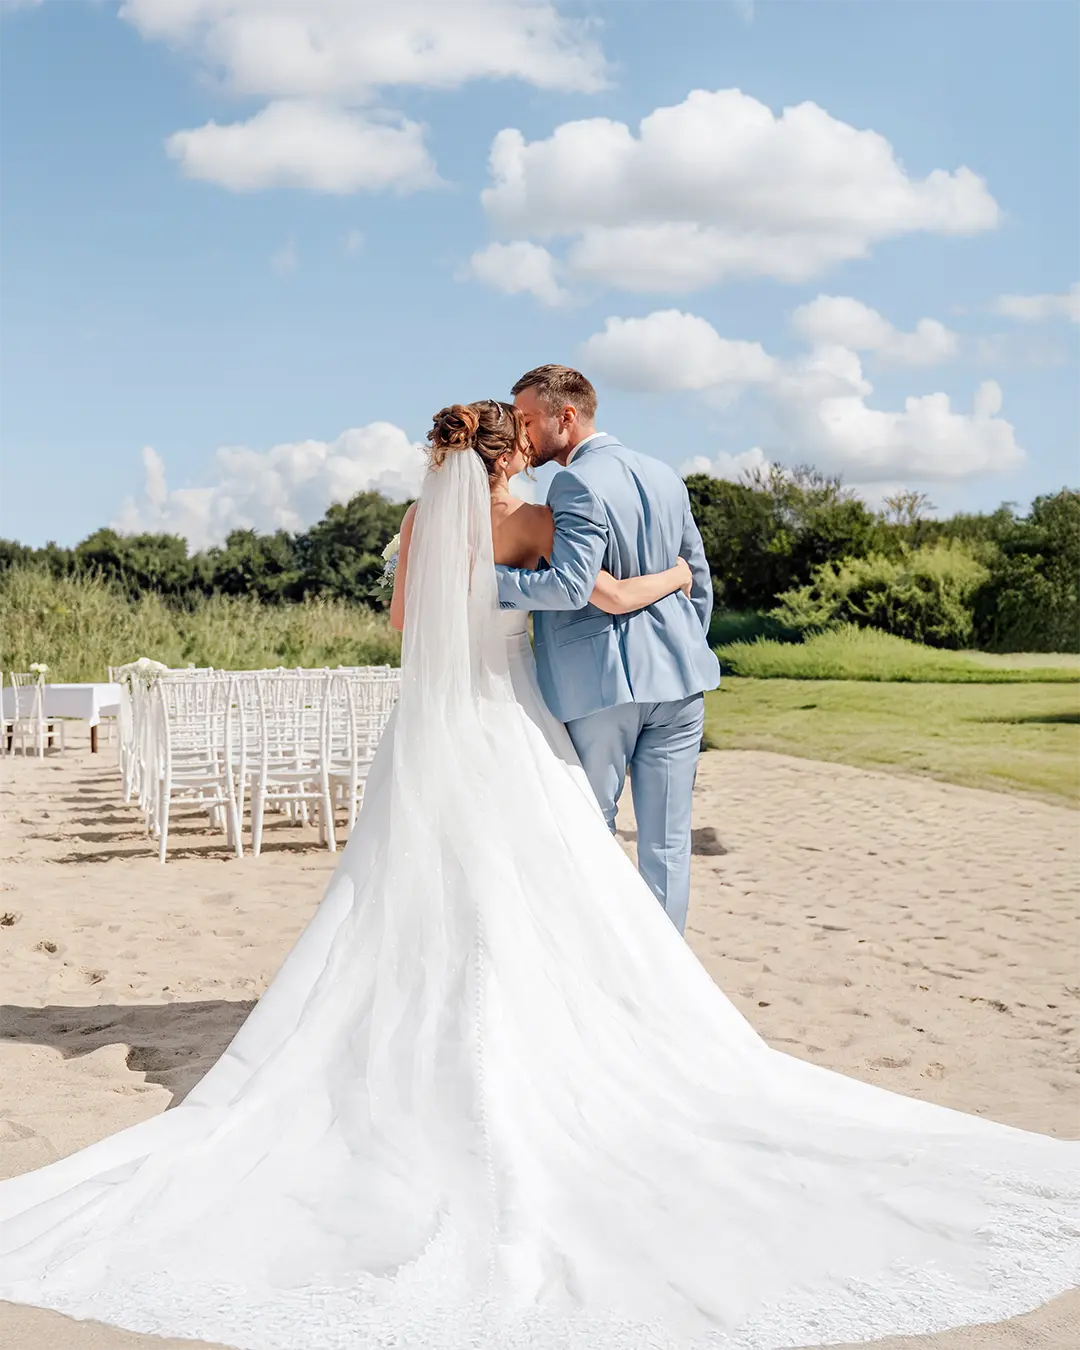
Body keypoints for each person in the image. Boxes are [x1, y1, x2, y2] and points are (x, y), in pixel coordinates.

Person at [0, 403, 1077, 1350]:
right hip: (512, 718)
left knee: (409, 885)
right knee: (561, 872)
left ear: (446, 456)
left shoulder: (423, 525)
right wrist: (623, 587)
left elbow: (406, 625)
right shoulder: (537, 517)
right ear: (517, 452)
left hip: (432, 732)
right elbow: (580, 594)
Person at [495, 366, 721, 935]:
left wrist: (486, 583)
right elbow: (696, 576)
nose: (521, 434)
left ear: (564, 416)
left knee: (590, 831)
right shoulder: (665, 474)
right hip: (681, 681)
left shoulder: (573, 484)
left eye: (526, 420)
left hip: (604, 683)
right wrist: (683, 643)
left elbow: (572, 586)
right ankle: (667, 976)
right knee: (668, 843)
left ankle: (598, 970)